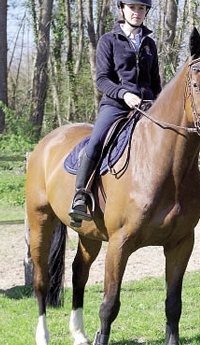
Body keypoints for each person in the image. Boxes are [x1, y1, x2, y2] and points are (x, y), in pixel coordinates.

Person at [69, 0, 162, 225]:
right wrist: (123, 94)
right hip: (116, 105)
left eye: (141, 9)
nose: (137, 13)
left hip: (147, 106)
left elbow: (156, 81)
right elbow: (102, 79)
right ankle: (80, 195)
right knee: (97, 141)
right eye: (133, 8)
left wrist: (159, 103)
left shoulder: (149, 43)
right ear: (122, 9)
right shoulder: (108, 40)